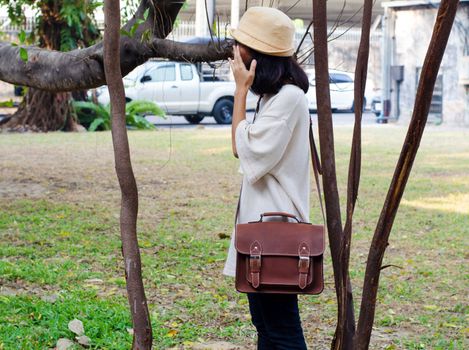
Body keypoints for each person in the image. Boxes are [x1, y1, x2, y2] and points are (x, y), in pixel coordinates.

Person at [222, 6, 311, 350]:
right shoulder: (276, 98)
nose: (235, 54)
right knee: (266, 327)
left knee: (282, 331)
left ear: (258, 56)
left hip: (275, 234)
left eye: (240, 47)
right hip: (262, 231)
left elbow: (240, 147)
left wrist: (240, 90)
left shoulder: (289, 99)